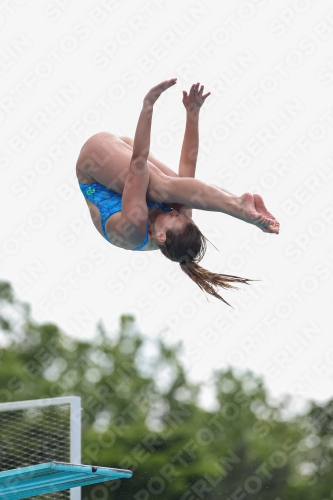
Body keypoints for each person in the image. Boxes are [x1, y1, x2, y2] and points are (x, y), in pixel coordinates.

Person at [76, 79, 279, 306]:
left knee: (161, 188)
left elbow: (138, 164)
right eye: (179, 215)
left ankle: (237, 206)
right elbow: (187, 172)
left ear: (161, 236)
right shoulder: (176, 223)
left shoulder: (133, 229)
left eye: (175, 217)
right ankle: (236, 204)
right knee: (174, 188)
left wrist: (148, 107)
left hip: (93, 163)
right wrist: (192, 114)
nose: (176, 213)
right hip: (122, 153)